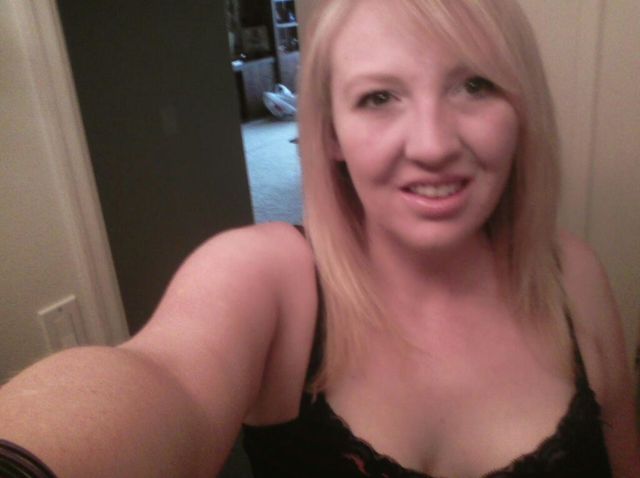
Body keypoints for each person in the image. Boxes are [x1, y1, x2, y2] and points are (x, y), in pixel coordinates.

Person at [1, 0, 639, 476]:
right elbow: (160, 383)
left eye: (475, 85)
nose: (433, 145)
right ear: (330, 133)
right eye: (379, 97)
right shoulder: (267, 277)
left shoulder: (572, 274)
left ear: (521, 111)